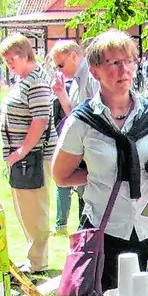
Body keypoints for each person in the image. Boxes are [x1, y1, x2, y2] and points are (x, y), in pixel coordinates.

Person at [51, 30, 148, 296]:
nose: (124, 69)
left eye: (129, 61)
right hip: (107, 232)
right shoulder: (82, 122)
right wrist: (97, 175)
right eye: (114, 63)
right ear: (95, 70)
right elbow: (61, 175)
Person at [0, 34, 58, 273]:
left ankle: (37, 262)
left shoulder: (36, 81)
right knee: (25, 209)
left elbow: (40, 120)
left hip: (33, 157)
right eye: (6, 61)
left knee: (35, 210)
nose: (9, 64)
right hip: (23, 157)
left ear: (25, 55)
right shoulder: (26, 79)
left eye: (12, 59)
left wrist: (22, 150)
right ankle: (33, 258)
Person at [50, 39, 98, 234]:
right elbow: (74, 116)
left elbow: (101, 116)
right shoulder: (76, 81)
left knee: (91, 207)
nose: (59, 71)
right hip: (84, 150)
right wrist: (61, 94)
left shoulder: (92, 76)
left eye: (61, 65)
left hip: (94, 151)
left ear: (73, 56)